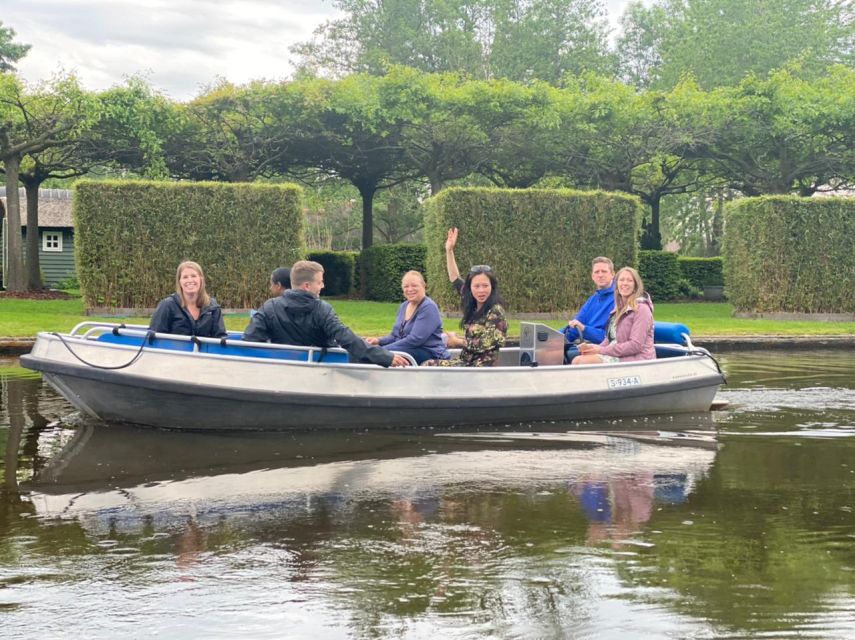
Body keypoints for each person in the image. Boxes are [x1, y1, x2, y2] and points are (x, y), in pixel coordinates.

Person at [243, 260, 410, 367]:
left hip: (282, 369)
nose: (322, 286)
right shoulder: (322, 309)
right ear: (307, 286)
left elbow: (251, 339)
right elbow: (345, 338)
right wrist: (385, 357)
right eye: (320, 282)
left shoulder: (269, 307)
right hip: (320, 368)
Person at [424, 228, 507, 367]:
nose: (481, 290)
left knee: (429, 366)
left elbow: (483, 344)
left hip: (479, 368)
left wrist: (457, 341)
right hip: (466, 362)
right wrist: (449, 251)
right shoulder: (472, 302)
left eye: (485, 286)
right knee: (427, 363)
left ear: (492, 287)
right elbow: (455, 279)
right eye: (477, 286)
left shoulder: (496, 311)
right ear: (470, 288)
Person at [572, 266, 655, 364]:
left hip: (637, 359)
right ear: (617, 284)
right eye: (621, 280)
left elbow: (635, 345)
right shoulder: (617, 309)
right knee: (577, 359)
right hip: (618, 355)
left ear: (635, 286)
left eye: (629, 280)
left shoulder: (642, 309)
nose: (624, 283)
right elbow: (610, 339)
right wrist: (592, 348)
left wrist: (600, 350)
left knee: (582, 362)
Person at [366, 270, 450, 364]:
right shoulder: (404, 306)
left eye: (414, 285)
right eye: (406, 286)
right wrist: (378, 341)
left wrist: (383, 350)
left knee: (379, 356)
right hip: (408, 349)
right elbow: (395, 336)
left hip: (429, 353)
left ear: (423, 285)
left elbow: (415, 340)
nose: (410, 289)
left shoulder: (428, 307)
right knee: (372, 354)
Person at [149, 260, 227, 338]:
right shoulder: (167, 305)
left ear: (201, 279)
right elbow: (154, 337)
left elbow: (220, 337)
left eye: (193, 276)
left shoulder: (213, 308)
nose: (190, 280)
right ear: (179, 281)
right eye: (185, 277)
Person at [563, 257, 616, 363]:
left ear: (612, 274)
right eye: (597, 272)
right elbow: (575, 326)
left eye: (604, 271)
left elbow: (610, 337)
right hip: (587, 345)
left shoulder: (618, 299)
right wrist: (552, 337)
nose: (600, 275)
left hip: (605, 348)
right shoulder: (593, 299)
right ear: (592, 276)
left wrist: (584, 329)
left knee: (570, 357)